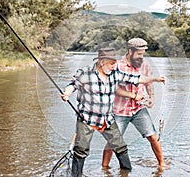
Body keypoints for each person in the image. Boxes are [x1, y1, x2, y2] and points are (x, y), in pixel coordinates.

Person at [61, 47, 166, 177]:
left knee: (121, 148)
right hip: (87, 118)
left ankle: (126, 173)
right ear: (102, 62)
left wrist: (156, 79)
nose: (114, 66)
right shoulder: (85, 73)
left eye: (115, 62)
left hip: (107, 119)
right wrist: (67, 92)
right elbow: (73, 84)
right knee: (81, 150)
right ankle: (76, 175)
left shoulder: (115, 73)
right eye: (112, 63)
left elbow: (136, 78)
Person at [102, 38, 168, 169]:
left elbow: (148, 82)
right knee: (112, 141)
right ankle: (104, 167)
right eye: (139, 54)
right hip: (119, 111)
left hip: (138, 109)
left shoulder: (144, 65)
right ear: (130, 51)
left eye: (143, 54)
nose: (141, 57)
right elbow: (113, 88)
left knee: (153, 137)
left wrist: (152, 97)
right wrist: (133, 95)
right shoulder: (116, 66)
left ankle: (162, 165)